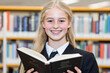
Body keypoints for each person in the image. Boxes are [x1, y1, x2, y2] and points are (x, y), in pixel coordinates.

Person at [19, 0, 99, 73]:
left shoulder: (86, 59)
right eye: (50, 21)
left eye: (61, 21)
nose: (56, 26)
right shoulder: (30, 60)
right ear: (43, 23)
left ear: (69, 23)